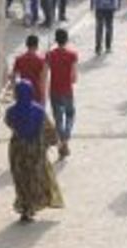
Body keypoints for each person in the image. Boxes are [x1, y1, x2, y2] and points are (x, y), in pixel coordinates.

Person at [4, 80, 65, 222]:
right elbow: (49, 129)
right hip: (36, 149)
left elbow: (9, 123)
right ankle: (35, 204)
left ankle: (25, 208)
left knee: (21, 179)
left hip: (17, 150)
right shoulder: (39, 111)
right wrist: (55, 143)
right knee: (36, 177)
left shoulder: (11, 111)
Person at [46, 28, 79, 157]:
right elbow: (74, 78)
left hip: (54, 90)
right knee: (70, 115)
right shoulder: (72, 55)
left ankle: (62, 140)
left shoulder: (50, 55)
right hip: (67, 91)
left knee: (58, 118)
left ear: (56, 40)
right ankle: (66, 138)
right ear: (67, 40)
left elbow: (44, 73)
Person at [11, 35, 47, 103]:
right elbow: (42, 81)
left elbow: (13, 77)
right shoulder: (41, 61)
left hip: (23, 93)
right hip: (36, 93)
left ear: (26, 45)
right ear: (37, 46)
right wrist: (43, 97)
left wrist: (15, 92)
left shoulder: (19, 59)